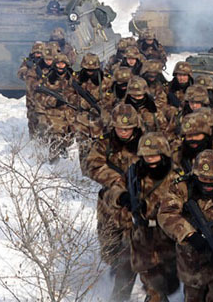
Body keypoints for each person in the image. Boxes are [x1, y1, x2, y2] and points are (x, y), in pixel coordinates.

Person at [158, 149, 213, 302]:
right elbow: (166, 213)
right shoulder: (182, 187)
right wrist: (190, 235)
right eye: (203, 179)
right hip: (191, 263)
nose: (208, 185)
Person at [103, 132, 179, 301]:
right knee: (123, 277)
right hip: (135, 234)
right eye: (146, 156)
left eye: (154, 155)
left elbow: (179, 203)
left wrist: (149, 207)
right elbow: (110, 192)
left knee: (157, 286)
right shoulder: (134, 173)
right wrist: (122, 197)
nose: (150, 159)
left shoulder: (175, 177)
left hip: (163, 237)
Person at [85, 104, 143, 301]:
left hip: (137, 204)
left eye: (127, 128)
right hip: (110, 204)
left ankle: (123, 291)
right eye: (120, 128)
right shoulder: (105, 143)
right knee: (109, 249)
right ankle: (116, 271)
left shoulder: (146, 142)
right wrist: (117, 180)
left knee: (133, 249)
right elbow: (92, 165)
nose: (124, 132)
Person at [73, 53, 113, 172]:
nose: (90, 72)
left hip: (100, 121)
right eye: (87, 70)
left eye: (93, 70)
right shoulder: (77, 79)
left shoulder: (106, 81)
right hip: (82, 120)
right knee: (83, 148)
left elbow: (112, 97)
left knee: (100, 149)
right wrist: (81, 103)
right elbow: (68, 95)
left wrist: (101, 105)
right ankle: (85, 174)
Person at [34, 53, 77, 162]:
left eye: (62, 63)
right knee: (55, 138)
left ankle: (63, 151)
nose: (60, 66)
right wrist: (54, 101)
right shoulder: (48, 78)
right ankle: (53, 164)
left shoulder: (73, 77)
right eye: (58, 63)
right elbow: (39, 96)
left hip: (70, 113)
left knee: (69, 138)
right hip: (54, 114)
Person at [25, 45, 57, 138]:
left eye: (50, 60)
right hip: (38, 100)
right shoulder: (35, 69)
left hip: (54, 102)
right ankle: (37, 143)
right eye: (46, 59)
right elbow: (30, 85)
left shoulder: (58, 69)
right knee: (37, 122)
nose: (48, 62)